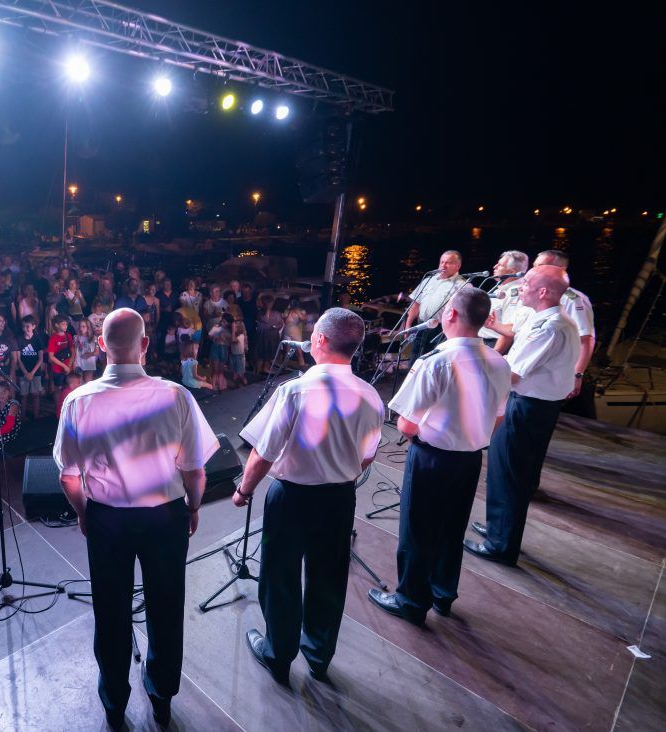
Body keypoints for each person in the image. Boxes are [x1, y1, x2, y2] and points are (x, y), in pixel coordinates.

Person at [53, 308, 218, 728]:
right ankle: (161, 694)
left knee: (110, 611)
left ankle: (114, 701)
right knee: (166, 607)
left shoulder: (78, 400)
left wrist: (85, 513)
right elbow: (195, 471)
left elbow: (68, 476)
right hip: (165, 519)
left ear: (102, 346)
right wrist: (193, 507)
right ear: (144, 346)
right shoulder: (177, 395)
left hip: (108, 519)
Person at [235, 308, 383, 684]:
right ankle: (318, 655)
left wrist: (243, 490)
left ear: (318, 340)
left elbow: (263, 453)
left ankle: (279, 654)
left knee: (280, 575)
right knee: (329, 577)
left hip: (291, 499)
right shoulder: (370, 396)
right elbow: (368, 454)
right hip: (339, 499)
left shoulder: (295, 390)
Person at [367, 288, 511, 624]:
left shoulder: (436, 362)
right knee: (452, 527)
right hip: (471, 457)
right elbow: (499, 418)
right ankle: (443, 594)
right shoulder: (499, 362)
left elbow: (406, 424)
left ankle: (412, 601)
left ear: (451, 316)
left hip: (432, 458)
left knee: (418, 529)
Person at [464, 265, 580, 566]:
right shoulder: (549, 320)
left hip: (528, 406)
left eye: (527, 283)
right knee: (507, 470)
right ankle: (499, 527)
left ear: (543, 292)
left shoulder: (550, 327)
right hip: (533, 405)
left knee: (509, 473)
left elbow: (513, 373)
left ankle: (501, 544)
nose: (521, 287)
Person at [533, 250, 595, 397]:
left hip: (560, 374)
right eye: (535, 265)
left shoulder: (572, 299)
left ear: (561, 270)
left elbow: (586, 340)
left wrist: (577, 375)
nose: (534, 270)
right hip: (540, 372)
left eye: (541, 266)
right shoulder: (536, 294)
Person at [403, 250, 466, 356]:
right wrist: (408, 325)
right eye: (442, 262)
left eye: (448, 263)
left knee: (435, 362)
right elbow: (416, 303)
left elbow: (463, 314)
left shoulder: (462, 285)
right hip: (422, 326)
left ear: (458, 265)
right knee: (415, 361)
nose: (443, 266)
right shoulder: (429, 280)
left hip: (442, 331)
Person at [477, 250, 529, 348]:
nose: (495, 267)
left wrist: (495, 355)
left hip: (494, 344)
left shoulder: (515, 292)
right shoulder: (502, 287)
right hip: (484, 342)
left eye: (500, 265)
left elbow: (509, 330)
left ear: (512, 272)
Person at [13, 315, 45, 420]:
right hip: (24, 372)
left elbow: (41, 358)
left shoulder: (37, 339)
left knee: (36, 395)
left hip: (35, 372)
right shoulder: (19, 339)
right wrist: (26, 373)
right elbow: (18, 359)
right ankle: (23, 416)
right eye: (23, 326)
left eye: (28, 326)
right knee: (24, 396)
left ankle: (36, 416)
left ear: (33, 326)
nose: (25, 329)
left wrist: (32, 373)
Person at [47, 314, 75, 395]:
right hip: (58, 368)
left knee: (68, 387)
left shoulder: (68, 336)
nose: (66, 326)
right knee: (58, 388)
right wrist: (64, 366)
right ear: (56, 325)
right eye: (63, 324)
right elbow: (51, 356)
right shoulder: (53, 338)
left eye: (66, 324)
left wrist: (69, 365)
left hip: (69, 366)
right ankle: (58, 406)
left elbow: (73, 351)